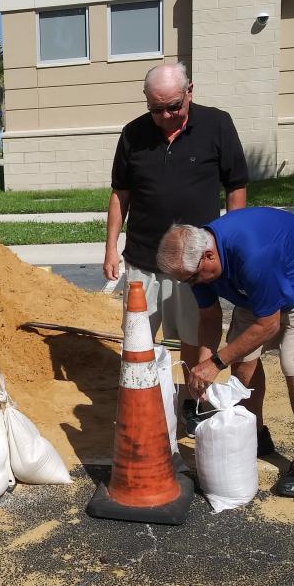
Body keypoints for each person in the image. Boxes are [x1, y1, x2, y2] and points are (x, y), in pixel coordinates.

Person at [156, 207, 294, 497]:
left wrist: (216, 362)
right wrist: (202, 366)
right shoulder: (198, 267)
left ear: (209, 257)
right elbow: (209, 317)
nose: (191, 285)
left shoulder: (253, 255)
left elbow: (268, 325)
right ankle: (256, 434)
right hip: (260, 286)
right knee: (242, 359)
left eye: (191, 279)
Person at [104, 62, 248, 437]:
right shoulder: (133, 134)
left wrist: (233, 241)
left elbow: (236, 187)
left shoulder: (217, 125)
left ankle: (191, 401)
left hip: (193, 263)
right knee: (138, 335)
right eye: (156, 109)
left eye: (173, 107)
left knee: (191, 334)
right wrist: (110, 248)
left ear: (190, 92)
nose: (165, 116)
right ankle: (142, 400)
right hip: (142, 258)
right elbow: (121, 193)